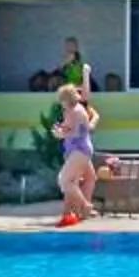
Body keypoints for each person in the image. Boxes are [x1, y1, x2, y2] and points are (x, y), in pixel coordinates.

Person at [54, 84, 102, 227]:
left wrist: (61, 134)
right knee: (74, 180)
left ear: (66, 99)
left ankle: (85, 205)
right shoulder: (73, 110)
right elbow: (72, 128)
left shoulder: (76, 111)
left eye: (61, 100)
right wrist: (61, 129)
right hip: (78, 149)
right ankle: (70, 213)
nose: (61, 103)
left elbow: (78, 133)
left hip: (80, 150)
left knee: (64, 180)